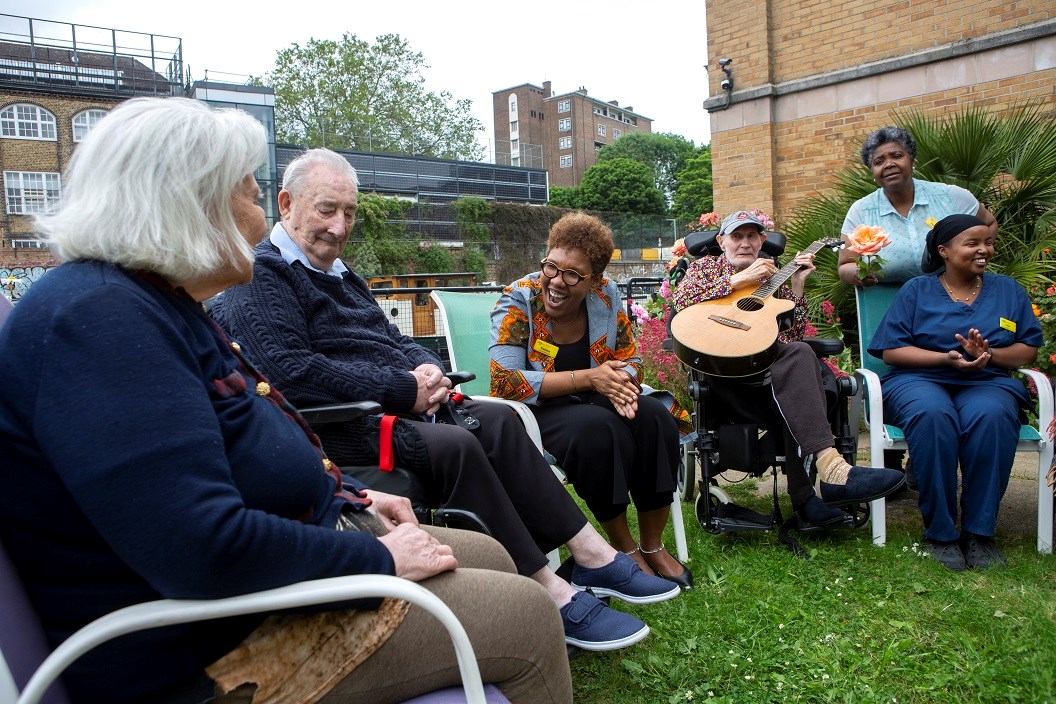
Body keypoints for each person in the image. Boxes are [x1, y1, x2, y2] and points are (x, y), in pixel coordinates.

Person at [0, 98, 573, 704]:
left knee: (485, 552)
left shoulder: (153, 305)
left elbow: (218, 462)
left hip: (252, 596)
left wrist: (351, 495)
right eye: (249, 197)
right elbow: (198, 548)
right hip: (208, 652)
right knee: (528, 618)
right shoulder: (100, 323)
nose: (256, 225)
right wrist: (374, 560)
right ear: (190, 204)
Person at [213, 148, 681, 652]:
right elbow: (290, 373)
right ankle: (550, 594)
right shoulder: (264, 275)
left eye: (349, 212)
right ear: (286, 203)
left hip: (401, 406)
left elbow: (392, 341)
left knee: (501, 421)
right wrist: (400, 389)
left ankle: (592, 556)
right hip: (345, 427)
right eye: (328, 209)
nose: (341, 225)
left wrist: (428, 368)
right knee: (458, 444)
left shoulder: (341, 275)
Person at [489, 212, 696, 588]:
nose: (556, 281)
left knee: (653, 418)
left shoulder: (607, 295)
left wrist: (623, 385)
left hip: (597, 397)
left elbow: (631, 358)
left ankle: (653, 547)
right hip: (538, 413)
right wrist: (591, 378)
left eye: (572, 275)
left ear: (595, 279)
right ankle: (623, 549)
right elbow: (505, 383)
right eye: (551, 267)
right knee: (596, 430)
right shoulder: (518, 300)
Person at [670, 210, 906, 523]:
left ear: (762, 241)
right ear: (721, 241)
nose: (744, 243)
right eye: (736, 236)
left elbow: (787, 337)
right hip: (724, 379)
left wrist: (795, 285)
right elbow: (682, 302)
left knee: (799, 360)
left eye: (752, 236)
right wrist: (740, 278)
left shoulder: (774, 276)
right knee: (800, 379)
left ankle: (822, 479)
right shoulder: (705, 267)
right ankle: (817, 488)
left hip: (770, 380)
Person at [868, 214, 1042, 571]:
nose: (984, 250)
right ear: (944, 250)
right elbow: (891, 351)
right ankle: (941, 534)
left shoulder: (1008, 290)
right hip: (920, 378)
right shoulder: (916, 290)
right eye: (973, 243)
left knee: (992, 418)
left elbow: (1027, 351)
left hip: (987, 380)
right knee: (933, 416)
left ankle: (979, 535)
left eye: (988, 243)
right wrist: (944, 357)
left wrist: (988, 355)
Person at [839, 126, 998, 286]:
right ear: (872, 171)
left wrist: (973, 261)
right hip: (891, 301)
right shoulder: (861, 211)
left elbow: (989, 224)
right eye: (879, 162)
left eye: (897, 155)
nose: (889, 164)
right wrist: (858, 274)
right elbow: (845, 264)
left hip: (956, 293)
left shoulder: (951, 197)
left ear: (912, 161)